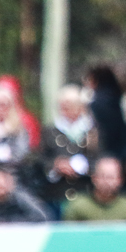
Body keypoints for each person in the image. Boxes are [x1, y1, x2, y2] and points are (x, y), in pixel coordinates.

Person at [38, 85, 100, 213]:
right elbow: (40, 159)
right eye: (62, 106)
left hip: (85, 194)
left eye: (69, 106)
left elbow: (100, 159)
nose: (64, 110)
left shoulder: (92, 131)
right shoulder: (50, 131)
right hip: (56, 194)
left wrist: (82, 167)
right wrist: (55, 166)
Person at [64, 155, 126, 222]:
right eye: (103, 176)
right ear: (94, 178)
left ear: (120, 179)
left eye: (111, 177)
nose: (107, 182)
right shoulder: (78, 206)